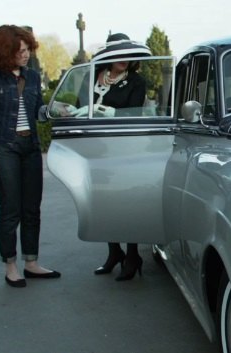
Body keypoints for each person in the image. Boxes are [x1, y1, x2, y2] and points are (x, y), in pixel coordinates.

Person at [0, 25, 60, 288]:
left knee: (32, 208)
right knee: (11, 209)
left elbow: (37, 111)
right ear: (5, 51)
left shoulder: (32, 77)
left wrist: (56, 111)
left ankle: (31, 263)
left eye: (27, 50)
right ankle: (11, 266)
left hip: (30, 147)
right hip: (3, 147)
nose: (25, 55)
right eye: (20, 51)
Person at [85, 32, 152, 281]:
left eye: (127, 54)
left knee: (126, 200)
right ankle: (114, 252)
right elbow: (84, 104)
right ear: (108, 56)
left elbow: (133, 114)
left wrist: (108, 111)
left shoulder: (136, 81)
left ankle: (133, 255)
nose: (123, 58)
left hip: (125, 147)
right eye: (118, 53)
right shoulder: (93, 77)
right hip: (96, 147)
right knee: (102, 200)